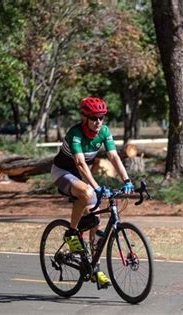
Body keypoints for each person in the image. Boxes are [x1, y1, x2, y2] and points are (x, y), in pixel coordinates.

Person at [51, 96, 134, 289]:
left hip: (81, 175)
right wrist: (96, 186)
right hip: (63, 172)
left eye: (101, 118)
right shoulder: (75, 133)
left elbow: (113, 156)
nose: (98, 122)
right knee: (88, 193)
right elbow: (80, 164)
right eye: (94, 118)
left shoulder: (104, 132)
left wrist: (127, 180)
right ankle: (72, 233)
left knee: (95, 220)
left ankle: (94, 268)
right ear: (85, 117)